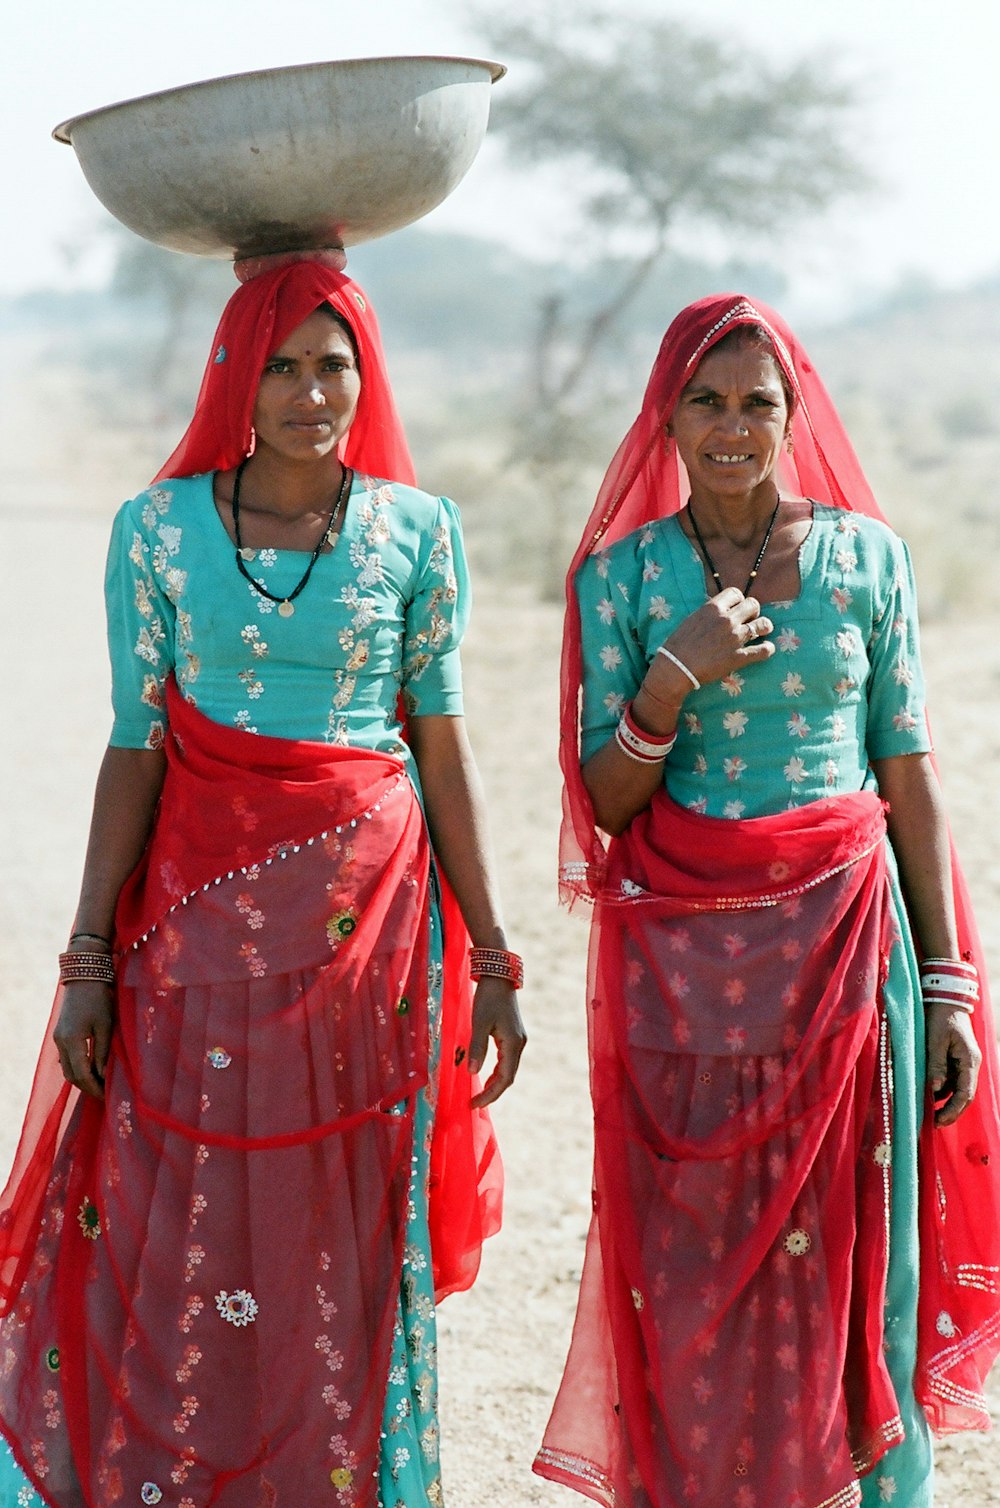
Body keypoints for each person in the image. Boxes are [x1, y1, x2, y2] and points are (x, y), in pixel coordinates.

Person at [0, 259, 526, 1508]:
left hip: (374, 935)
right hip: (195, 926)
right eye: (280, 363)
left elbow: (441, 747)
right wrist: (85, 960)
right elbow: (135, 744)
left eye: (332, 364)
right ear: (237, 372)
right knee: (179, 1208)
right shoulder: (160, 528)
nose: (308, 390)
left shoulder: (419, 530)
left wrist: (496, 959)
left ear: (367, 376)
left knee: (344, 1226)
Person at [535, 293, 1000, 1507]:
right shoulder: (620, 577)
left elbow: (906, 768)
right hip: (685, 963)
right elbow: (607, 795)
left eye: (758, 402)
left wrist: (947, 981)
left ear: (794, 416)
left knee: (862, 1243)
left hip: (849, 953)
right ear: (667, 418)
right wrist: (672, 678)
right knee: (691, 1253)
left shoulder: (866, 559)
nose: (732, 426)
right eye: (707, 401)